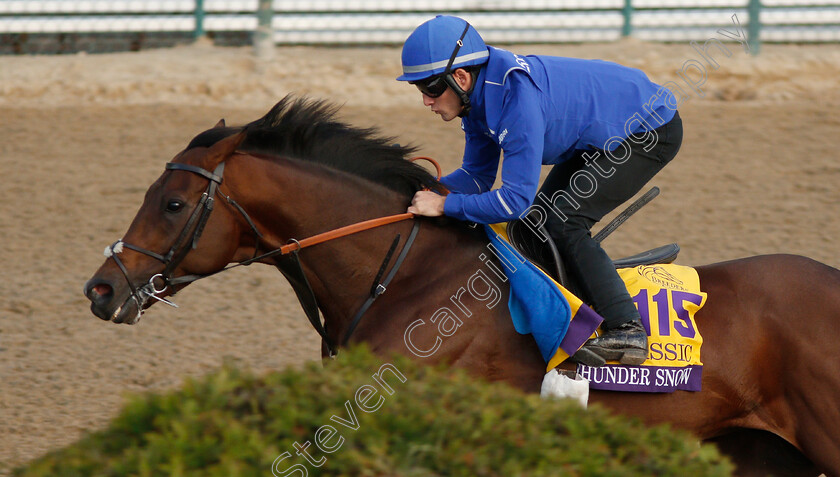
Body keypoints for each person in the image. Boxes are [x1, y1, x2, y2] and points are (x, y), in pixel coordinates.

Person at [397, 15, 683, 367]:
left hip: (647, 130)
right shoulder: (475, 100)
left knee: (565, 224)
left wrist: (444, 206)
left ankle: (628, 329)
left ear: (459, 77)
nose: (426, 101)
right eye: (420, 90)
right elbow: (476, 177)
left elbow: (513, 201)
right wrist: (418, 188)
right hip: (602, 129)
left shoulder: (516, 100)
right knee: (533, 228)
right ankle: (577, 307)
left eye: (429, 88)